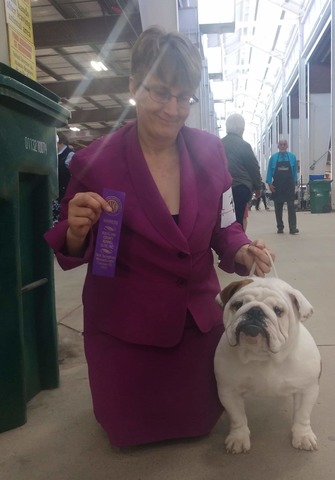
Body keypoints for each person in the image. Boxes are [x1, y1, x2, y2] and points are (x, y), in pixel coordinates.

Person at [44, 26, 274, 448]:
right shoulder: (96, 162)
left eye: (183, 96)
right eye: (160, 92)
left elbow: (225, 227)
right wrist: (77, 231)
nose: (173, 109)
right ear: (134, 86)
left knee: (201, 422)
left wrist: (242, 250)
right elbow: (74, 244)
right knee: (125, 430)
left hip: (194, 327)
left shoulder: (210, 152)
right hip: (124, 329)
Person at [221, 113, 262, 227]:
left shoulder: (218, 144)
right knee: (238, 220)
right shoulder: (244, 146)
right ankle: (237, 242)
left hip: (222, 189)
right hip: (241, 188)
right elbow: (253, 168)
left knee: (224, 222)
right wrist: (258, 187)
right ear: (242, 128)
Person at [266, 138, 299, 234]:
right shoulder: (273, 158)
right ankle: (280, 227)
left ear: (287, 146)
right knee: (278, 207)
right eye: (281, 144)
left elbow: (294, 172)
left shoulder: (292, 157)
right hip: (278, 186)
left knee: (291, 206)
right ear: (278, 146)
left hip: (289, 185)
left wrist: (295, 182)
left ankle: (293, 228)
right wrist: (269, 183)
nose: (283, 146)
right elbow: (269, 172)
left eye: (285, 144)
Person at [53, 132, 74, 224]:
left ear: (60, 142)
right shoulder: (54, 156)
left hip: (65, 197)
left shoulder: (70, 155)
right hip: (56, 196)